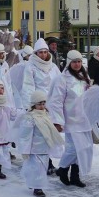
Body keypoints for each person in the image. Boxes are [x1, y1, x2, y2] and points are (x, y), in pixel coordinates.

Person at [48, 50, 94, 188]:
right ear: (69, 62)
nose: (77, 64)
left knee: (84, 148)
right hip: (71, 120)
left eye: (79, 61)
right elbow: (56, 101)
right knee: (73, 149)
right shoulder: (62, 79)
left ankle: (74, 176)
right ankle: (62, 169)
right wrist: (58, 120)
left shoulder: (83, 76)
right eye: (74, 62)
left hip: (84, 119)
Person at [21, 38, 62, 174]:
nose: (43, 55)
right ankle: (40, 163)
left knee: (50, 134)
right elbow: (28, 87)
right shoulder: (31, 67)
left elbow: (59, 84)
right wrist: (31, 105)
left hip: (51, 106)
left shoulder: (53, 67)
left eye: (45, 52)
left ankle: (49, 161)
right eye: (41, 52)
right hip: (38, 106)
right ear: (36, 54)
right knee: (40, 136)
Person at [16, 90, 64, 197]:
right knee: (37, 169)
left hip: (44, 147)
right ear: (34, 104)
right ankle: (38, 188)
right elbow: (25, 135)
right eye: (39, 104)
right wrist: (25, 150)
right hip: (34, 149)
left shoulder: (46, 115)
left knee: (41, 168)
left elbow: (49, 129)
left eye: (43, 104)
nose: (42, 106)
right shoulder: (30, 118)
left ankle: (33, 183)